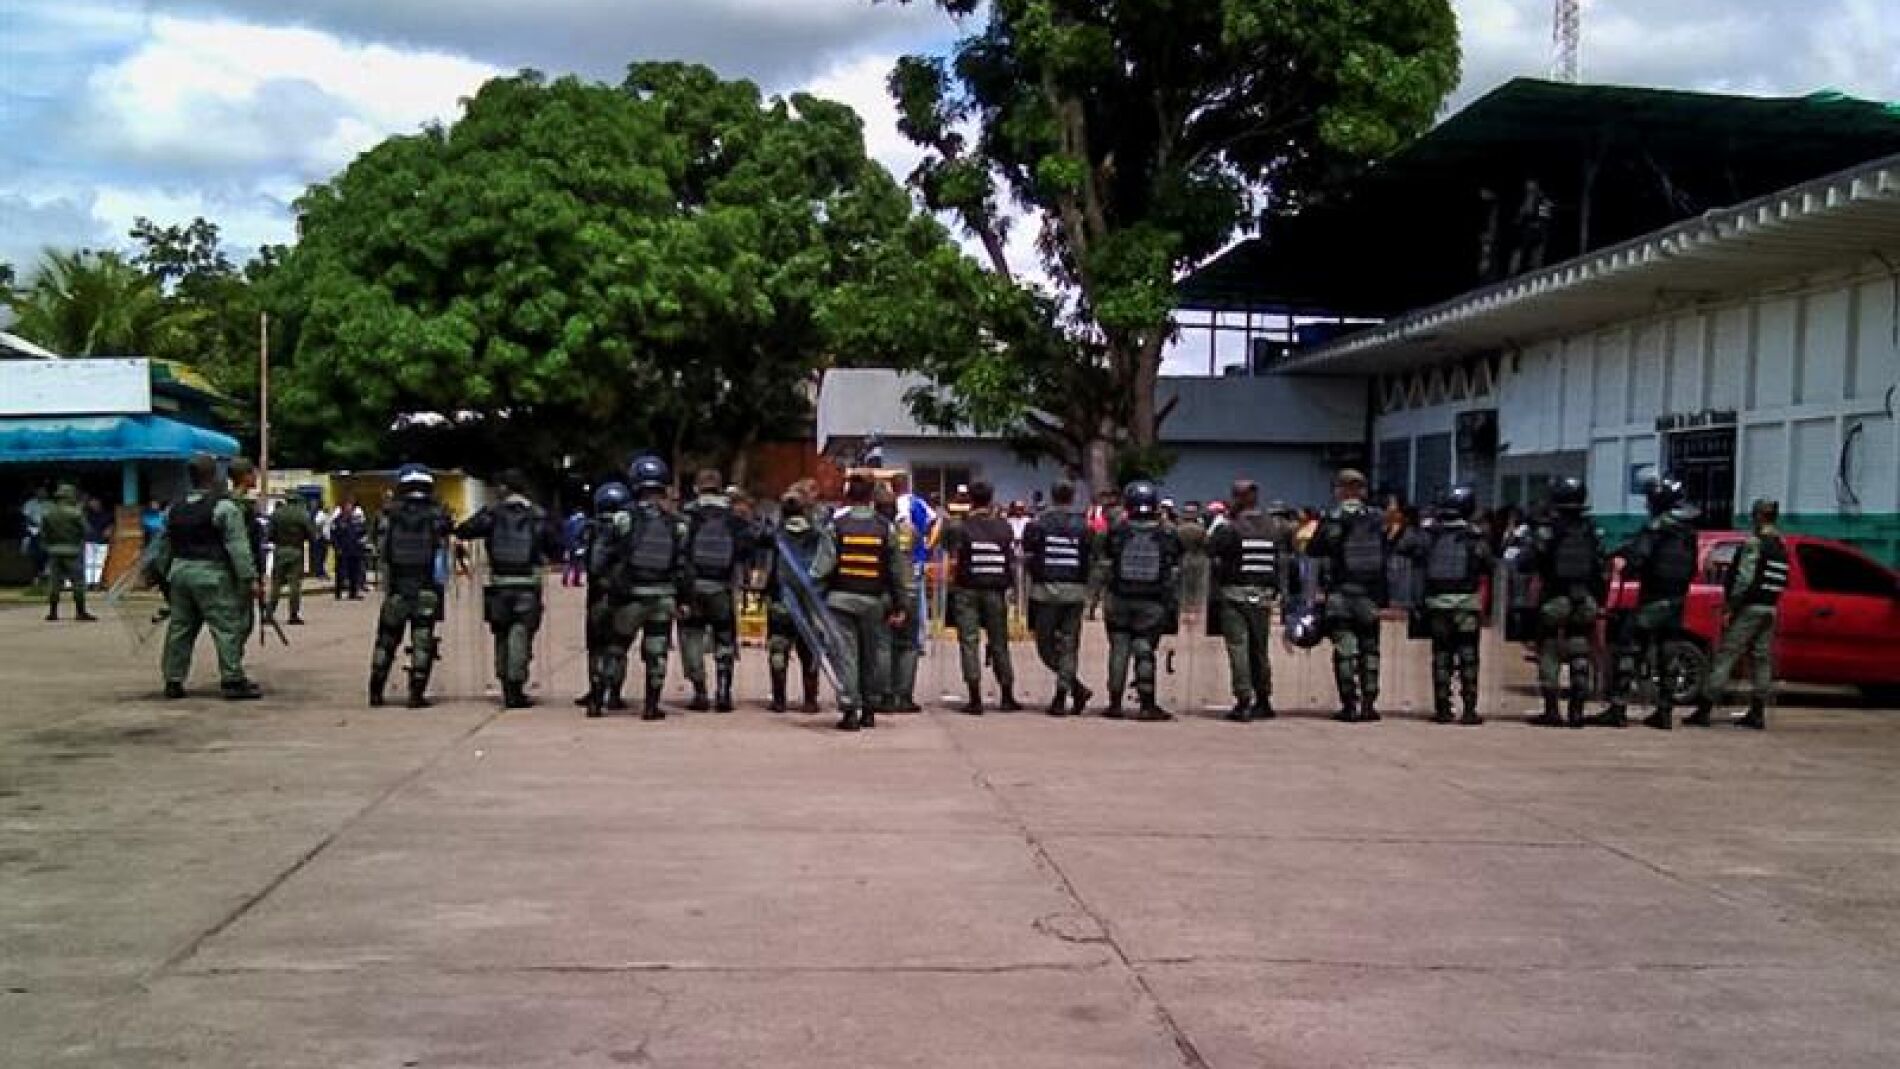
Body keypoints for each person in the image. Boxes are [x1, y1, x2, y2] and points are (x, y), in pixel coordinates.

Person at [151, 454, 262, 700]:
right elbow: (238, 548)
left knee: (180, 628)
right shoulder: (224, 508)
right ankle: (232, 679)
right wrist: (249, 579)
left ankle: (173, 680)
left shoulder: (175, 508)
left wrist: (163, 575)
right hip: (212, 574)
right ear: (215, 476)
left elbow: (163, 547)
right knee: (226, 627)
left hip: (180, 573)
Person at [589, 457, 688, 719]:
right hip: (663, 597)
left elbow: (599, 558)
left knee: (616, 647)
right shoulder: (676, 523)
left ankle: (597, 701)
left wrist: (605, 583)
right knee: (657, 652)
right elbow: (683, 566)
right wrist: (683, 599)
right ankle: (651, 707)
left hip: (629, 596)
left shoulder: (624, 518)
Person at [810, 472, 909, 731]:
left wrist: (813, 596)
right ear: (871, 498)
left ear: (847, 495)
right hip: (874, 601)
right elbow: (898, 571)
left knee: (847, 655)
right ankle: (869, 709)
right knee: (873, 655)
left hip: (841, 600)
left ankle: (850, 710)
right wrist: (901, 605)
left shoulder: (836, 526)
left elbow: (822, 569)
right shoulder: (885, 527)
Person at [1600, 476, 1699, 730]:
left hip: (1654, 599)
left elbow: (1638, 559)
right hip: (1677, 601)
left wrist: (1625, 563)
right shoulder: (1688, 533)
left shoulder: (1656, 530)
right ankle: (1664, 711)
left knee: (1628, 645)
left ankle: (1618, 707)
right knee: (1669, 653)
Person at [1510, 478, 1605, 728]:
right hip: (1585, 600)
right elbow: (1601, 568)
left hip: (1555, 600)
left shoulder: (1548, 531)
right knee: (1579, 648)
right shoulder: (1592, 531)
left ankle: (1552, 711)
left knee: (1549, 649)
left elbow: (1524, 562)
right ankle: (1577, 712)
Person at [454, 469, 553, 709]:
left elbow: (464, 529)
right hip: (528, 584)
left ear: (505, 488)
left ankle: (506, 684)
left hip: (499, 584)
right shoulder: (537, 514)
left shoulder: (492, 513)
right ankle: (517, 686)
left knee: (501, 634)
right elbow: (553, 543)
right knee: (522, 634)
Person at [1690, 498, 1785, 731]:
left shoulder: (1755, 543)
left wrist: (1731, 606)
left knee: (1726, 655)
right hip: (1770, 607)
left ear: (1760, 516)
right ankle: (1758, 712)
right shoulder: (1779, 545)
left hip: (1750, 607)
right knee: (1761, 658)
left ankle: (1704, 709)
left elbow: (1744, 579)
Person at [1401, 485, 1493, 725]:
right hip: (1466, 605)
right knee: (1468, 656)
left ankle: (1443, 708)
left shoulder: (1430, 534)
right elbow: (1489, 564)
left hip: (1437, 605)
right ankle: (1470, 710)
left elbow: (1404, 548)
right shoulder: (1475, 537)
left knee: (1441, 654)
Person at [1307, 468, 1388, 723]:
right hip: (1370, 596)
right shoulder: (1377, 518)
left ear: (1340, 490)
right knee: (1370, 649)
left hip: (1340, 594)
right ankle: (1369, 704)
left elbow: (1313, 549)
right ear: (1362, 490)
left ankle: (1349, 705)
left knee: (1345, 649)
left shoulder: (1331, 518)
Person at [370, 465, 453, 707]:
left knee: (386, 639)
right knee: (423, 639)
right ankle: (416, 694)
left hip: (397, 586)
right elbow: (446, 539)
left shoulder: (388, 514)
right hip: (426, 587)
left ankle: (376, 690)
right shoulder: (437, 515)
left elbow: (380, 550)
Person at [1206, 479, 1288, 723]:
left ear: (1238, 498)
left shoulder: (1231, 527)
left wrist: (1223, 520)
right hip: (1262, 596)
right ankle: (1263, 699)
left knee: (1238, 647)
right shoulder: (1273, 526)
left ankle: (1243, 700)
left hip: (1235, 593)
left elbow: (1210, 549)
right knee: (1259, 649)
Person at [1099, 480, 1181, 721]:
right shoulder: (1167, 532)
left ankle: (1114, 704)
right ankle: (1146, 704)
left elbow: (1103, 560)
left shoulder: (1115, 530)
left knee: (1118, 649)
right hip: (1152, 603)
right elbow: (1174, 567)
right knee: (1144, 650)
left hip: (1119, 599)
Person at [940, 480, 1019, 714]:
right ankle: (1007, 695)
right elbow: (1010, 560)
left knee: (969, 642)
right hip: (995, 590)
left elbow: (949, 550)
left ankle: (975, 698)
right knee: (999, 643)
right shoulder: (1004, 527)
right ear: (992, 498)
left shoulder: (960, 527)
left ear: (970, 500)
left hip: (967, 589)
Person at [679, 469, 750, 712]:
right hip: (723, 587)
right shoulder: (733, 516)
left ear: (697, 488)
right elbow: (745, 549)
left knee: (691, 637)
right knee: (724, 638)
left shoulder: (687, 514)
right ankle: (723, 692)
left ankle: (700, 692)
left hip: (693, 587)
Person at [1022, 480, 1094, 715]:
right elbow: (1088, 559)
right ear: (1072, 497)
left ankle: (1067, 692)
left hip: (1045, 592)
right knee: (1069, 646)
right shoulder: (1084, 526)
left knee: (1045, 646)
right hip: (1074, 591)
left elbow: (1029, 556)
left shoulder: (1037, 524)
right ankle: (1070, 690)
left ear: (1052, 496)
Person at [763, 480, 823, 713]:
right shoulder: (817, 532)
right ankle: (810, 699)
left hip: (781, 600)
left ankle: (779, 699)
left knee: (778, 648)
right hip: (809, 601)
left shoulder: (776, 534)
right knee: (808, 649)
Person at [874, 484, 924, 713]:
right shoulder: (909, 530)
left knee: (883, 645)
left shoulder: (875, 529)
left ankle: (884, 696)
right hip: (910, 588)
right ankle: (903, 696)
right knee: (908, 646)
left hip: (883, 591)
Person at [40, 484, 95, 622]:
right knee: (78, 582)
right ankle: (80, 612)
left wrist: (49, 545)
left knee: (54, 582)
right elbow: (87, 530)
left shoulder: (48, 513)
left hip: (54, 551)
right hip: (73, 551)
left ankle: (53, 612)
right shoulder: (76, 513)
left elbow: (44, 534)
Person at [226, 459, 266, 647]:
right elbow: (244, 543)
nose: (256, 477)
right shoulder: (240, 506)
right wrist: (252, 576)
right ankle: (232, 666)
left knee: (241, 620)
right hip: (240, 570)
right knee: (242, 621)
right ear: (244, 476)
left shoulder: (226, 502)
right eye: (253, 473)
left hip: (233, 568)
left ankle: (232, 662)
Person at [266, 493, 315, 625]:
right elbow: (311, 534)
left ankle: (269, 613)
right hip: (296, 550)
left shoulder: (277, 514)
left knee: (276, 584)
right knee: (295, 585)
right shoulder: (303, 514)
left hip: (280, 550)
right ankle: (293, 614)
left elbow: (269, 534)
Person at [333, 497, 367, 599]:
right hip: (342, 550)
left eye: (351, 507)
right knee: (341, 573)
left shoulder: (355, 520)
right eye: (347, 507)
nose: (349, 509)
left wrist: (363, 541)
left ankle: (353, 593)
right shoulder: (337, 521)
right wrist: (337, 547)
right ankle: (338, 593)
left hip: (354, 550)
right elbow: (334, 536)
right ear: (342, 508)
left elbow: (362, 532)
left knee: (354, 572)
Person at [82, 494, 113, 590]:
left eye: (95, 502)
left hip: (102, 541)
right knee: (89, 562)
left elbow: (111, 525)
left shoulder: (107, 514)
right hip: (90, 540)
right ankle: (88, 582)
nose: (93, 504)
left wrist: (110, 529)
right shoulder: (86, 514)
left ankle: (95, 583)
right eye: (92, 502)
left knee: (99, 562)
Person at [562, 506, 588, 587]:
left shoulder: (568, 521)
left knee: (569, 563)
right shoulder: (582, 522)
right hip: (578, 544)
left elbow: (565, 534)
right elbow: (581, 534)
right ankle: (576, 581)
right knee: (578, 563)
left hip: (569, 544)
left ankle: (565, 579)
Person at [312, 503, 332, 579]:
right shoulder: (320, 514)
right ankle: (319, 573)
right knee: (320, 556)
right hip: (321, 539)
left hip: (325, 538)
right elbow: (317, 524)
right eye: (326, 506)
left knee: (323, 556)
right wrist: (320, 535)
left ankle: (321, 571)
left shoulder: (326, 515)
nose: (328, 507)